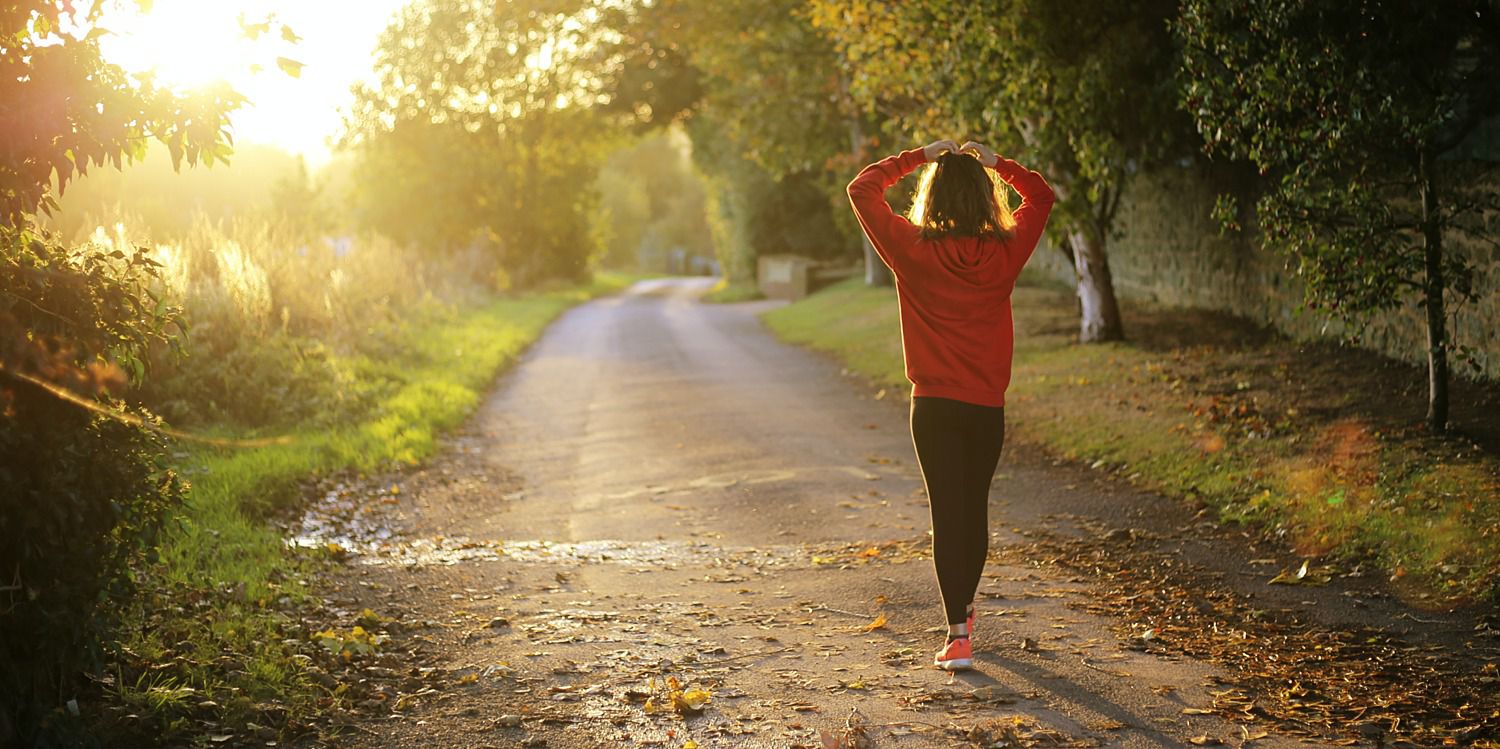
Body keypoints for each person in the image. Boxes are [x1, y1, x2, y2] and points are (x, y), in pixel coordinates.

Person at [847, 139, 1055, 671]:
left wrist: (919, 156)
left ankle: (957, 634)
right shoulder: (1006, 251)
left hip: (934, 407)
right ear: (986, 199)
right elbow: (1042, 195)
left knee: (947, 513)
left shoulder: (911, 249)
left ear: (932, 198)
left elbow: (862, 189)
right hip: (985, 407)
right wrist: (998, 164)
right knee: (974, 509)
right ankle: (963, 611)